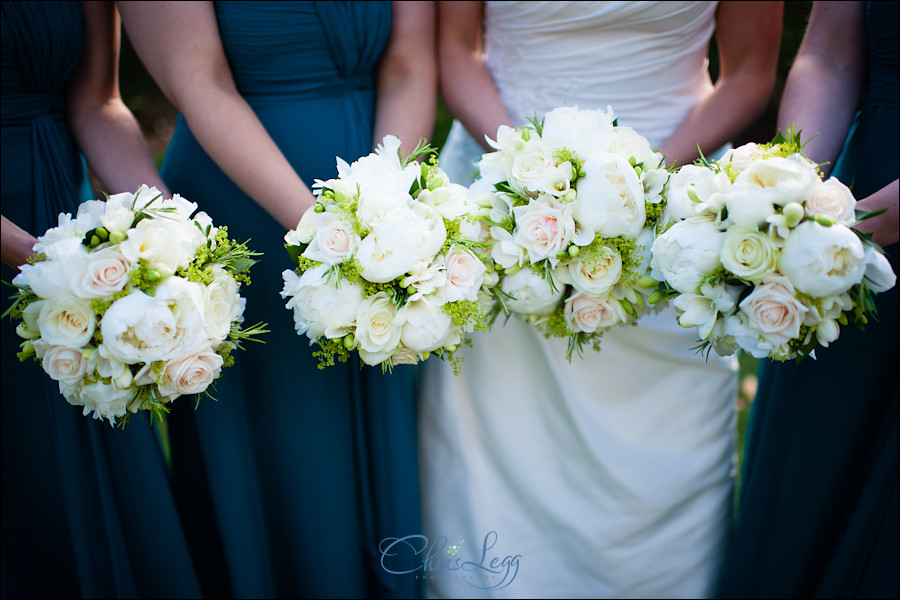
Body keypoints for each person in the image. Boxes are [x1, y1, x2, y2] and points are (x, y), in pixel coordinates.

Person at [418, 2, 782, 597]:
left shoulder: (660, 194)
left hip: (671, 207)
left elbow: (748, 75)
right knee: (501, 439)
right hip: (503, 198)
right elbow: (457, 50)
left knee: (668, 445)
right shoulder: (511, 183)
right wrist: (521, 180)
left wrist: (636, 189)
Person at [116, 2, 437, 597]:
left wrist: (388, 209)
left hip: (378, 187)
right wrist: (328, 238)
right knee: (289, 456)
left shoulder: (384, 211)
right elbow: (199, 81)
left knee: (384, 402)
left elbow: (408, 64)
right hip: (247, 204)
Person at [1, 1, 202, 597]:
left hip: (58, 216)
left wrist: (169, 229)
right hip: (45, 254)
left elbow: (96, 102)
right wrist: (40, 263)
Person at [715, 2, 898, 597]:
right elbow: (830, 52)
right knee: (814, 478)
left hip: (859, 226)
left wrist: (857, 232)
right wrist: (791, 193)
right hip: (860, 188)